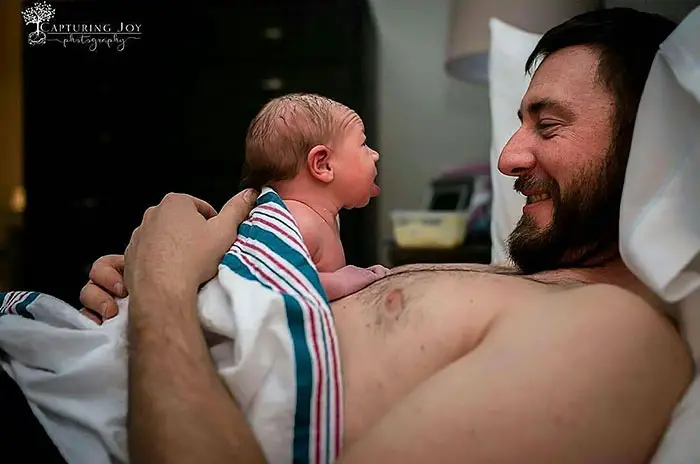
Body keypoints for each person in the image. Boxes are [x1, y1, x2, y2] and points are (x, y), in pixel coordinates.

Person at [80, 7, 693, 463]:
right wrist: (165, 294)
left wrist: (163, 290)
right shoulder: (531, 293)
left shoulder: (617, 337)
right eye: (519, 125)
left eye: (549, 126)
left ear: (653, 147)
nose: (507, 158)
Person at [240, 92, 388, 301]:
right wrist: (343, 281)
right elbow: (272, 285)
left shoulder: (322, 218)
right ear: (323, 164)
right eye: (363, 144)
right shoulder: (297, 222)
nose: (375, 155)